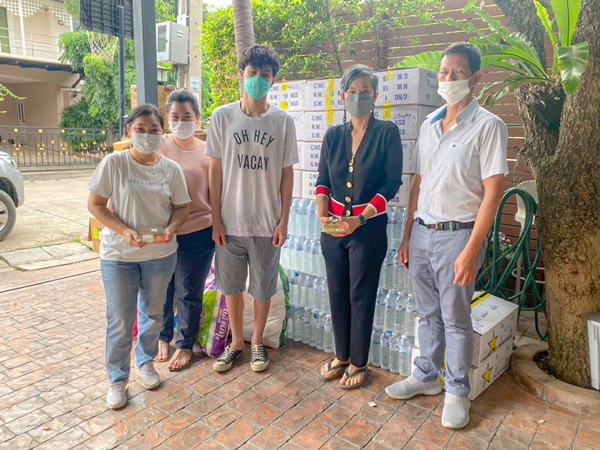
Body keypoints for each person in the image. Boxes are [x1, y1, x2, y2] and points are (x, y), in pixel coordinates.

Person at [385, 43, 508, 429]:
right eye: (443, 72)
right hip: (422, 233)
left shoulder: (488, 126)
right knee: (427, 313)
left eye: (458, 72)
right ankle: (425, 376)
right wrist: (407, 236)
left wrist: (471, 250)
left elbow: (494, 192)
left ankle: (457, 391)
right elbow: (417, 182)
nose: (449, 79)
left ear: (476, 78)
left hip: (459, 236)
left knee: (456, 318)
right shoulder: (428, 125)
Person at [88, 104, 191, 409]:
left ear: (162, 132)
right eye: (140, 129)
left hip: (160, 254)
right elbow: (95, 204)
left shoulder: (171, 169)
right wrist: (124, 231)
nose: (147, 135)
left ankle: (145, 361)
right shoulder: (114, 163)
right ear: (129, 131)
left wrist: (172, 228)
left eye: (154, 130)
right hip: (119, 255)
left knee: (153, 313)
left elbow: (182, 207)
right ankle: (117, 379)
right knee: (120, 319)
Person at [206, 44, 298, 373]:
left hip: (266, 223)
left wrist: (284, 221)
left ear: (274, 80)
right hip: (229, 223)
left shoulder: (282, 121)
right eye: (253, 72)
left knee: (262, 287)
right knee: (231, 287)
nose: (258, 78)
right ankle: (236, 344)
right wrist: (216, 219)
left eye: (265, 74)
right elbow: (214, 171)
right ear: (241, 74)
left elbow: (287, 175)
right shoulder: (222, 117)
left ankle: (257, 341)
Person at [316, 64, 403, 389]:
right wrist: (322, 215)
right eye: (352, 91)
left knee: (360, 295)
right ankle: (341, 355)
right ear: (342, 97)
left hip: (368, 230)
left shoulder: (387, 133)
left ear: (375, 95)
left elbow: (391, 184)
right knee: (337, 292)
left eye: (365, 91)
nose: (358, 96)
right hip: (334, 229)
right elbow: (323, 180)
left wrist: (361, 218)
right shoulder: (333, 136)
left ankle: (359, 362)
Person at [155, 89, 215, 371]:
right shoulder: (158, 145)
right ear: (167, 118)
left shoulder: (208, 151)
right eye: (175, 116)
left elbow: (215, 194)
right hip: (162, 232)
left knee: (189, 291)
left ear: (197, 118)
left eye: (187, 116)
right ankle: (162, 336)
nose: (181, 122)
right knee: (161, 289)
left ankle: (185, 344)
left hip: (198, 230)